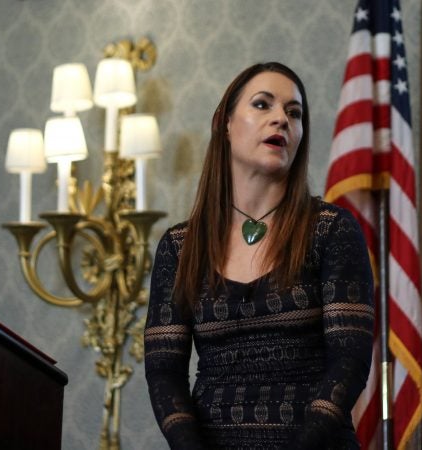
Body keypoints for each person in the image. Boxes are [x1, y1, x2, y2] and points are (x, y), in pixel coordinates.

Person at [144, 62, 374, 449]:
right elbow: (164, 374)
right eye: (263, 105)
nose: (281, 119)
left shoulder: (332, 229)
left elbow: (348, 365)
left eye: (294, 112)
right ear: (225, 123)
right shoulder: (179, 246)